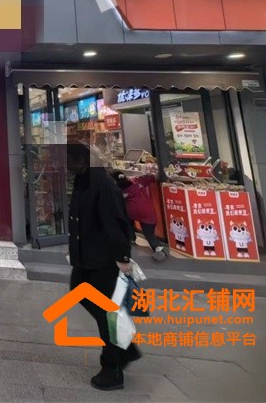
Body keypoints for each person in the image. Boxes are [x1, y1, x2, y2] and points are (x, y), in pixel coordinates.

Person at [66, 142, 140, 391]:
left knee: (108, 313)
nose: (65, 166)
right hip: (86, 256)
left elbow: (116, 223)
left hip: (103, 259)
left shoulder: (102, 184)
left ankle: (113, 368)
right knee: (79, 291)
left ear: (82, 160)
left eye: (69, 161)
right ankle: (125, 348)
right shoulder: (84, 179)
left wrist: (123, 257)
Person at [112, 171, 169, 262]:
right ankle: (158, 249)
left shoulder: (117, 190)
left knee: (126, 220)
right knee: (150, 235)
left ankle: (131, 239)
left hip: (131, 212)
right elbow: (154, 177)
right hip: (147, 212)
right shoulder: (138, 182)